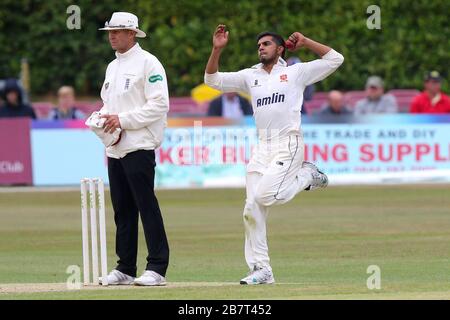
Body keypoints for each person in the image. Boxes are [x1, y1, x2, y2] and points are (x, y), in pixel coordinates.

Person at [204, 25, 344, 284]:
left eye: (266, 44)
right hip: (262, 147)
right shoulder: (250, 76)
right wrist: (217, 49)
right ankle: (261, 269)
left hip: (288, 143)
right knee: (251, 208)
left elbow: (336, 59)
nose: (261, 47)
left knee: (267, 195)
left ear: (280, 49)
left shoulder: (295, 72)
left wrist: (306, 41)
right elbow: (212, 81)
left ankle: (307, 175)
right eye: (259, 45)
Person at [97, 12, 170, 286]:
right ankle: (125, 268)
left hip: (139, 144)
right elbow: (109, 104)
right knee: (122, 209)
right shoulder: (112, 67)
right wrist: (101, 117)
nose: (112, 35)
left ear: (132, 33)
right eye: (110, 31)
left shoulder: (149, 63)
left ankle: (158, 268)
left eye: (117, 31)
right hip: (115, 146)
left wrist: (124, 120)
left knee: (145, 205)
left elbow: (159, 105)